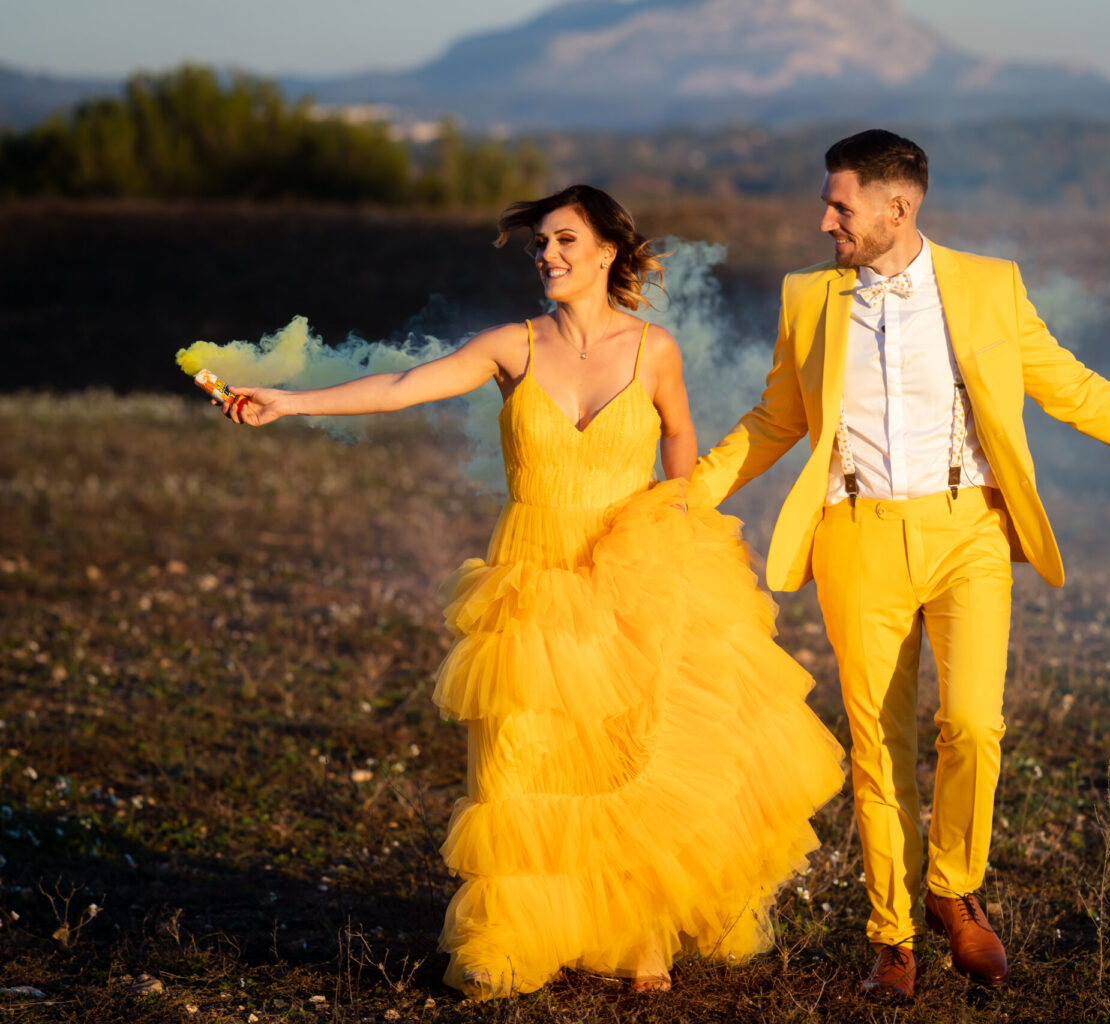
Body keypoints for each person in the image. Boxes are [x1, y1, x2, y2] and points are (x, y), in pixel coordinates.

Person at [214, 185, 845, 998]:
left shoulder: (654, 350)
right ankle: (509, 936)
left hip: (627, 565)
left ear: (608, 253)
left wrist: (678, 519)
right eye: (541, 243)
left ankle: (638, 931)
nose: (547, 255)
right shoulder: (511, 345)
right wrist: (290, 402)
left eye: (565, 242)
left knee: (628, 751)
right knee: (522, 759)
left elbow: (680, 435)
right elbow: (406, 388)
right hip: (532, 571)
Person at [687, 130, 1110, 1001]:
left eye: (839, 205)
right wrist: (687, 495)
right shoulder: (807, 298)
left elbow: (1074, 389)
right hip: (856, 535)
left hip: (970, 532)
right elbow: (775, 419)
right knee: (877, 750)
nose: (824, 221)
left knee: (974, 726)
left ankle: (955, 892)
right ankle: (892, 939)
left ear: (899, 207)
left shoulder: (990, 287)